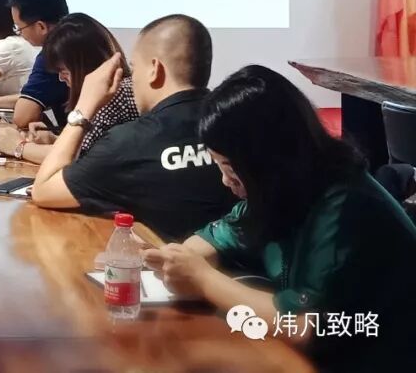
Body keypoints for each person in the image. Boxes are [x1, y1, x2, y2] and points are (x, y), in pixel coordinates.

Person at [145, 66, 416, 371]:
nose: (225, 181)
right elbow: (223, 235)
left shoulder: (343, 208)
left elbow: (301, 326)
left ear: (266, 161)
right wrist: (176, 259)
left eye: (230, 168)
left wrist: (202, 278)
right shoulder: (284, 189)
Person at [30, 15, 235, 241]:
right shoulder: (241, 123)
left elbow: (44, 189)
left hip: (162, 261)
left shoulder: (129, 143)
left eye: (135, 67)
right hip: (238, 261)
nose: (131, 78)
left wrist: (85, 105)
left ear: (154, 69)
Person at [0, 13, 138, 163]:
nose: (61, 78)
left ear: (83, 65)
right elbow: (90, 145)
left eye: (64, 72)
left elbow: (78, 159)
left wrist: (18, 146)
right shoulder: (116, 88)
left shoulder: (112, 94)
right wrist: (56, 139)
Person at [0, 0, 69, 129]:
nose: (20, 34)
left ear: (41, 27)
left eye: (19, 28)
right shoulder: (81, 35)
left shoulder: (52, 54)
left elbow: (23, 117)